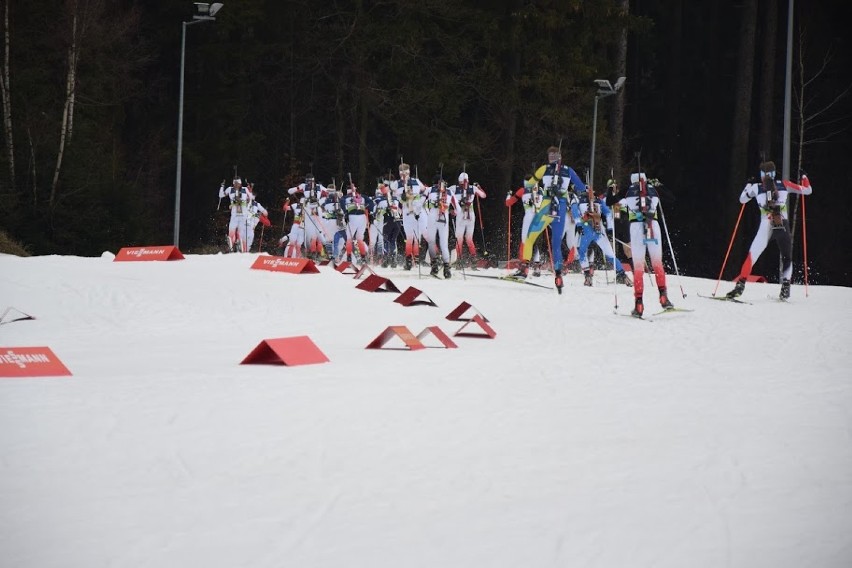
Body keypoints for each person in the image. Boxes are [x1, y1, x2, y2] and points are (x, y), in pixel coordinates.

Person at [726, 161, 812, 300]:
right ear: (773, 173)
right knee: (787, 257)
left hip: (766, 224)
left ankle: (740, 285)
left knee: (752, 256)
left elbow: (742, 200)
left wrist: (748, 184)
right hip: (781, 222)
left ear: (761, 175)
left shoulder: (756, 187)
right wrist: (804, 177)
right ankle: (785, 288)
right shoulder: (784, 184)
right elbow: (808, 190)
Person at [526, 145, 586, 292]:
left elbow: (529, 184)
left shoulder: (544, 168)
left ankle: (524, 268)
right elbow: (581, 187)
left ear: (550, 157)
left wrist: (536, 183)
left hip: (547, 205)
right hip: (561, 208)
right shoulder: (569, 170)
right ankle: (558, 274)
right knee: (556, 245)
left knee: (529, 237)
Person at [617, 172, 673, 317]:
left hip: (636, 227)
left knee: (638, 267)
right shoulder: (653, 189)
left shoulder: (628, 190)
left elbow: (611, 201)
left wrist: (611, 190)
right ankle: (664, 297)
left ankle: (639, 304)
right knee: (657, 263)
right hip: (652, 225)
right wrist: (658, 185)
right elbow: (671, 198)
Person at [573, 185, 632, 286]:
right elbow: (608, 213)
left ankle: (587, 276)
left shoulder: (577, 200)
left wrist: (578, 224)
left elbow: (575, 212)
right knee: (610, 255)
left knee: (582, 252)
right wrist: (609, 229)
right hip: (599, 230)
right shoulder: (599, 200)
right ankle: (622, 275)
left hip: (586, 230)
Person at [505, 179, 546, 277]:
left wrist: (508, 195)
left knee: (525, 242)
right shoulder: (541, 190)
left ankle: (524, 268)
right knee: (533, 241)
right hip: (539, 219)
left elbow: (508, 203)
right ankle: (536, 266)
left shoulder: (522, 190)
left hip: (528, 217)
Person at [391, 162, 428, 270]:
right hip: (407, 212)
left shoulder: (416, 181)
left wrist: (420, 200)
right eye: (402, 174)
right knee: (409, 237)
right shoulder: (396, 184)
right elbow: (392, 197)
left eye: (405, 174)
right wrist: (399, 200)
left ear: (408, 173)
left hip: (417, 210)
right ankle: (408, 262)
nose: (403, 176)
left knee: (420, 236)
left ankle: (428, 259)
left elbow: (424, 190)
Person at [448, 172, 487, 269]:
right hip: (470, 216)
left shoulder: (454, 188)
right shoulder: (473, 188)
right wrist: (479, 187)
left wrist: (450, 209)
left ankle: (459, 261)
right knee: (469, 239)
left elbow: (444, 193)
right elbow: (483, 195)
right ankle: (473, 261)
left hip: (461, 216)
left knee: (459, 239)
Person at [287, 174, 328, 261]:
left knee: (319, 232)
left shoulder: (319, 187)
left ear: (313, 181)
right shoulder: (303, 186)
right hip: (308, 211)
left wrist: (320, 201)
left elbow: (328, 193)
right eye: (307, 181)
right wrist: (293, 190)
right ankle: (313, 253)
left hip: (317, 210)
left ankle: (323, 252)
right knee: (312, 234)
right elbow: (291, 191)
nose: (309, 183)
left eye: (310, 181)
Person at [424, 173, 457, 278]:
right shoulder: (449, 192)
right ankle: (447, 268)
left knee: (431, 242)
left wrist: (417, 213)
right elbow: (457, 208)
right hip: (444, 218)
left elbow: (420, 202)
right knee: (443, 244)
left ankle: (434, 266)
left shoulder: (429, 190)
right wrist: (454, 212)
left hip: (432, 217)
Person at [341, 177, 373, 263]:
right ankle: (363, 258)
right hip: (362, 218)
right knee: (359, 238)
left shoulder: (346, 197)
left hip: (353, 217)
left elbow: (341, 204)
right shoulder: (362, 196)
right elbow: (371, 202)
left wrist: (345, 213)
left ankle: (349, 257)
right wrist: (369, 209)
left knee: (349, 238)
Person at [219, 177, 252, 252]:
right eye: (235, 184)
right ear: (233, 183)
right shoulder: (230, 189)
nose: (236, 185)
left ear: (240, 184)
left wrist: (247, 204)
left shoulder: (244, 189)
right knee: (231, 233)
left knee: (240, 233)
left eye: (238, 184)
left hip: (243, 214)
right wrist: (222, 186)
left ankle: (240, 248)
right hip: (234, 215)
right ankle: (231, 248)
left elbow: (251, 198)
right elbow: (221, 195)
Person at [246, 185, 270, 252]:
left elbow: (268, 222)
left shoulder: (257, 207)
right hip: (244, 226)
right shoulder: (245, 203)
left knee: (248, 246)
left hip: (251, 230)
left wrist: (264, 215)